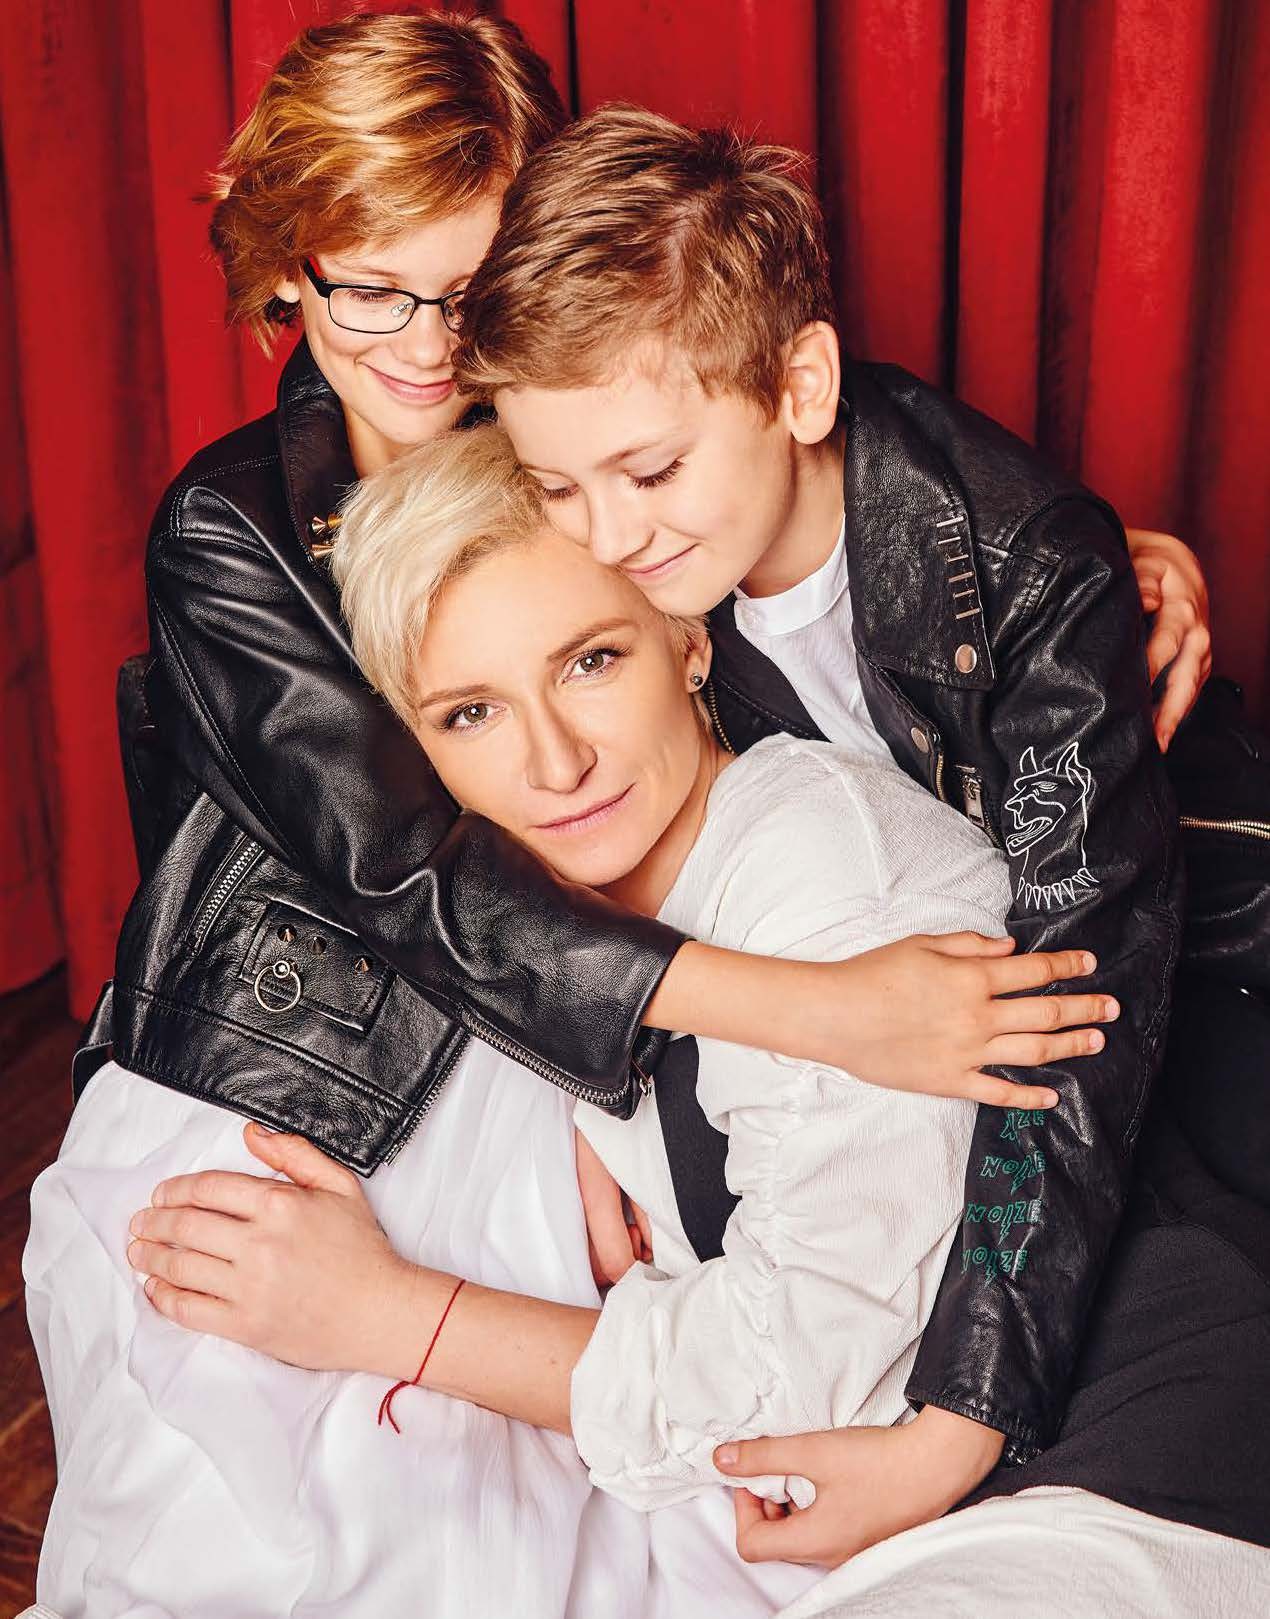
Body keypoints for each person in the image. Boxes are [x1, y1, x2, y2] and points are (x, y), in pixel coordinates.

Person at [66, 7, 1205, 1559]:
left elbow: (774, 438)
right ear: (287, 271)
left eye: (466, 289)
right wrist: (799, 1017)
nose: (422, 344)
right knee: (283, 1488)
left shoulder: (589, 436)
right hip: (343, 1032)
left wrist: (1066, 558)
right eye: (369, 288)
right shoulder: (239, 525)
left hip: (661, 999)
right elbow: (418, 877)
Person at [114, 428, 1270, 1619]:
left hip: (1136, 1478)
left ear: (687, 639)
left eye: (591, 661)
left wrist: (388, 1314)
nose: (555, 760)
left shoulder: (823, 866)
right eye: (471, 713)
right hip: (927, 1519)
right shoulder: (560, 933)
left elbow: (806, 1374)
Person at [449, 102, 1193, 1526]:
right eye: (554, 484)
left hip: (1142, 1026)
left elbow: (1078, 1021)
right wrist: (583, 1100)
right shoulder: (669, 560)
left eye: (648, 471)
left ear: (800, 386)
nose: (605, 535)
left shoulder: (1026, 569)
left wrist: (955, 1424)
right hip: (868, 1075)